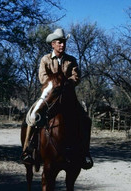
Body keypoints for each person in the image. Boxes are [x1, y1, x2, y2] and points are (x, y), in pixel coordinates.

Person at [21, 28, 93, 169]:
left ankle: (84, 152)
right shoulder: (45, 59)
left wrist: (66, 83)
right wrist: (55, 83)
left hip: (67, 97)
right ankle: (28, 149)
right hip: (49, 95)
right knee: (32, 116)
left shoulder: (71, 60)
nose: (62, 45)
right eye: (59, 42)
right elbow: (42, 77)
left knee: (85, 119)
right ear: (53, 44)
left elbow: (76, 77)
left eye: (64, 42)